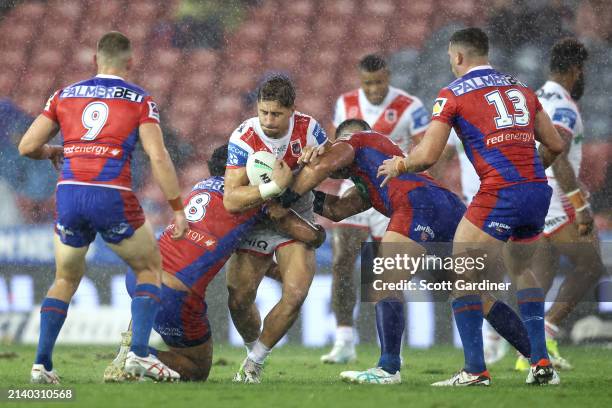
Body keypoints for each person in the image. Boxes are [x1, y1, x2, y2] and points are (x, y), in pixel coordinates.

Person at [273, 119, 534, 385]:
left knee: (385, 283)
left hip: (416, 206)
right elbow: (337, 210)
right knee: (476, 296)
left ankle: (388, 368)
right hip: (448, 206)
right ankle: (539, 361)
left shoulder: (354, 141)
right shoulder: (374, 172)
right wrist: (303, 196)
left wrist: (283, 194)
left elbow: (326, 163)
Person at [378, 27, 566, 386]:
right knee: (522, 271)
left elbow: (429, 155)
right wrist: (528, 174)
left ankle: (475, 370)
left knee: (461, 272)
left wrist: (399, 164)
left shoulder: (452, 95)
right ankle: (541, 362)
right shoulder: (521, 88)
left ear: (459, 56)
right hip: (537, 192)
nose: (451, 64)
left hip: (500, 193)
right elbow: (555, 144)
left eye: (451, 58)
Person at [18, 31, 189, 383]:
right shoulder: (140, 99)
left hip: (69, 193)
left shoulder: (64, 94)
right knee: (148, 269)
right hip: (111, 192)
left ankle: (41, 365)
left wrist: (52, 151)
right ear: (130, 62)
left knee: (64, 278)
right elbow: (158, 155)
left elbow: (27, 146)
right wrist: (176, 207)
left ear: (95, 60)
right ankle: (139, 354)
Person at [104, 144, 325, 381]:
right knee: (196, 368)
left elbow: (214, 244)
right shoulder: (251, 201)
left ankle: (133, 347)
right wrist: (316, 226)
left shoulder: (200, 187)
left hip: (139, 275)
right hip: (175, 293)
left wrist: (272, 271)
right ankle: (138, 355)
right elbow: (310, 235)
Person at [322, 54, 431, 364]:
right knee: (343, 261)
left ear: (389, 76)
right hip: (355, 190)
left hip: (389, 194)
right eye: (367, 83)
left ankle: (391, 349)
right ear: (360, 80)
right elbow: (337, 148)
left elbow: (426, 150)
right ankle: (344, 340)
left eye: (379, 82)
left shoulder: (410, 106)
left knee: (389, 274)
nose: (373, 89)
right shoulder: (345, 103)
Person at [223, 75, 329, 383]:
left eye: (276, 114)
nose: (268, 120)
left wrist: (318, 158)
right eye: (263, 112)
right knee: (238, 298)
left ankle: (254, 363)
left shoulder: (310, 129)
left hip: (296, 218)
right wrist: (273, 189)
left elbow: (333, 160)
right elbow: (231, 197)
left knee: (295, 294)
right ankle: (250, 349)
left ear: (292, 110)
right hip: (257, 220)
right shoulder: (243, 137)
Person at [513, 38, 605, 372]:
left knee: (544, 272)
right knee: (591, 265)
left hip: (533, 194)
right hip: (556, 196)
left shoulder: (536, 96)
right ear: (576, 69)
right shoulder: (563, 104)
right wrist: (578, 202)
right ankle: (548, 331)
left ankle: (533, 350)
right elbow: (558, 152)